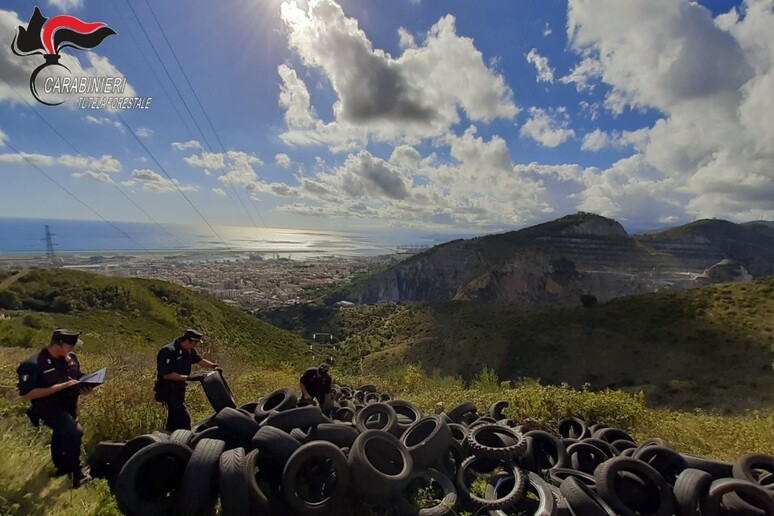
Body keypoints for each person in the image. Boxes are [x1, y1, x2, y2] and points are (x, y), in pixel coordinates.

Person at [16, 329, 93, 488]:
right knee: (74, 432)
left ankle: (61, 469)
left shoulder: (71, 359)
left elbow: (76, 377)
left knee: (61, 436)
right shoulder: (33, 364)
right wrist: (61, 387)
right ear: (58, 344)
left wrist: (85, 387)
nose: (74, 349)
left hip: (69, 406)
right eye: (71, 346)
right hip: (48, 408)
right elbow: (26, 395)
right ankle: (76, 472)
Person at [154, 329, 221, 432]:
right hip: (168, 389)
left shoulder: (189, 351)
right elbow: (167, 375)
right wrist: (189, 378)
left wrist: (214, 366)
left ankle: (171, 437)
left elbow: (200, 360)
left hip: (179, 389)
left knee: (175, 417)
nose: (196, 346)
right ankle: (181, 439)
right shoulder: (168, 351)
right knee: (183, 418)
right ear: (188, 341)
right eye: (195, 343)